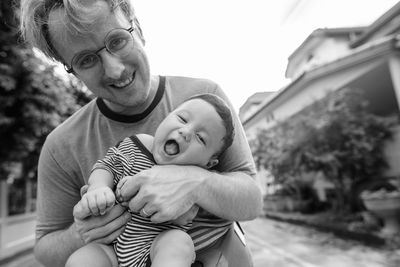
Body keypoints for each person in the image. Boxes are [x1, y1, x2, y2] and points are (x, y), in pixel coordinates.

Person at [19, 1, 263, 266]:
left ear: (139, 29)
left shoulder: (207, 101)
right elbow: (44, 249)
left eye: (117, 40)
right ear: (73, 71)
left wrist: (195, 182)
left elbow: (251, 201)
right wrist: (84, 232)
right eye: (86, 60)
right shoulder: (60, 146)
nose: (115, 69)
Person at [68, 93, 235, 267]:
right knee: (80, 260)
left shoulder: (196, 179)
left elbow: (190, 217)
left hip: (153, 249)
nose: (185, 132)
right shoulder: (136, 145)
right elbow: (107, 166)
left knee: (178, 242)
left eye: (201, 138)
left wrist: (183, 212)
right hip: (110, 249)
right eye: (182, 119)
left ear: (208, 163)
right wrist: (98, 187)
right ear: (166, 117)